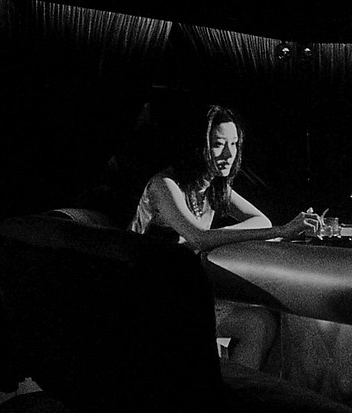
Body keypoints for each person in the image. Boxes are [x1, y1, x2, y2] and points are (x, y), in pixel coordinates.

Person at [128, 104, 319, 370]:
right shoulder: (164, 185)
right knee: (255, 325)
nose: (229, 154)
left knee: (262, 323)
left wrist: (222, 236)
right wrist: (282, 231)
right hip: (145, 297)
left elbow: (260, 220)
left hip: (184, 291)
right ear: (198, 146)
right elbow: (198, 238)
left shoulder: (214, 186)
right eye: (219, 144)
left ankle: (232, 392)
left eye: (235, 144)